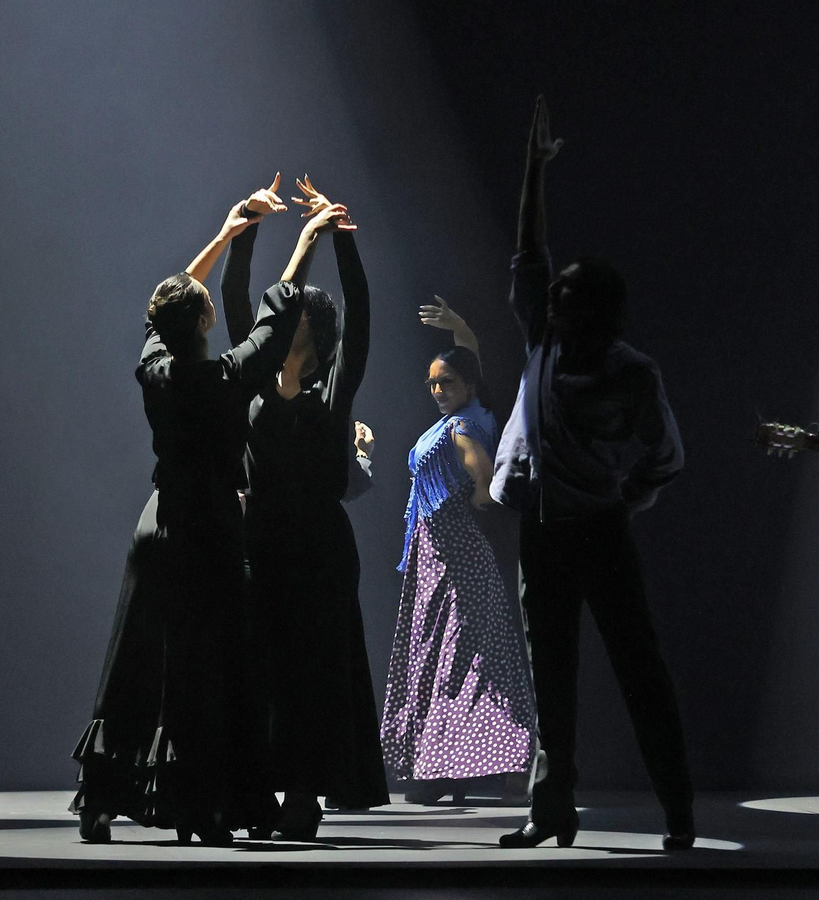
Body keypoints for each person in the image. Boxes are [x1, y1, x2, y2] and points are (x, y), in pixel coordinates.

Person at [71, 184, 345, 846]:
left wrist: (225, 236)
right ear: (203, 322)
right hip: (210, 528)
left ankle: (103, 801)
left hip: (158, 521)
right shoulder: (224, 378)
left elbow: (160, 310)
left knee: (140, 657)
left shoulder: (157, 368)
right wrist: (306, 241)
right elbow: (276, 320)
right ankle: (205, 805)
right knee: (208, 663)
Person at [490, 97, 693, 851]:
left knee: (640, 669)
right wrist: (533, 172)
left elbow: (667, 454)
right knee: (550, 674)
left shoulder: (628, 369)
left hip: (598, 533)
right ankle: (552, 812)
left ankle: (678, 810)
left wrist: (624, 498)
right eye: (557, 291)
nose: (555, 295)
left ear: (598, 308)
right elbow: (529, 253)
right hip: (543, 531)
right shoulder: (542, 342)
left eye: (571, 291)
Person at [228, 176, 389, 840]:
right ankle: (257, 791)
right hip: (262, 534)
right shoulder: (255, 380)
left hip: (319, 543)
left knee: (313, 669)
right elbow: (238, 300)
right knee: (259, 663)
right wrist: (248, 231)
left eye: (293, 314)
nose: (281, 318)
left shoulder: (333, 389)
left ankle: (302, 791)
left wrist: (339, 238)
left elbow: (361, 311)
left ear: (313, 330)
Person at [379, 295, 538, 806]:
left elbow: (480, 470)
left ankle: (498, 766)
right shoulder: (473, 411)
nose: (437, 390)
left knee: (465, 660)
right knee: (443, 658)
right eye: (432, 383)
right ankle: (445, 769)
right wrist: (460, 328)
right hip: (435, 560)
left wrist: (479, 494)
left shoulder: (464, 424)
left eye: (446, 383)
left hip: (455, 557)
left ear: (467, 386)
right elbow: (468, 361)